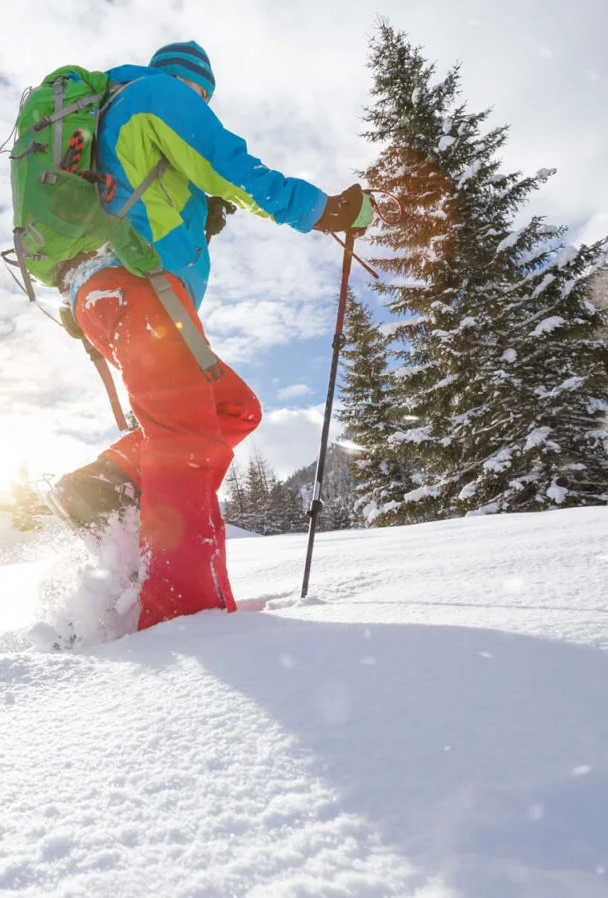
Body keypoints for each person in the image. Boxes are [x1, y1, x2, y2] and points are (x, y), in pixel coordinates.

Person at [49, 41, 372, 632]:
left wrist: (197, 212)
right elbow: (232, 167)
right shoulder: (159, 95)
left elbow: (138, 202)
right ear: (197, 85)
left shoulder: (114, 115)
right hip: (137, 289)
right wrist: (325, 211)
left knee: (232, 407)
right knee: (187, 439)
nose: (203, 104)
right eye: (205, 97)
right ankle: (186, 616)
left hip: (115, 292)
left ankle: (110, 480)